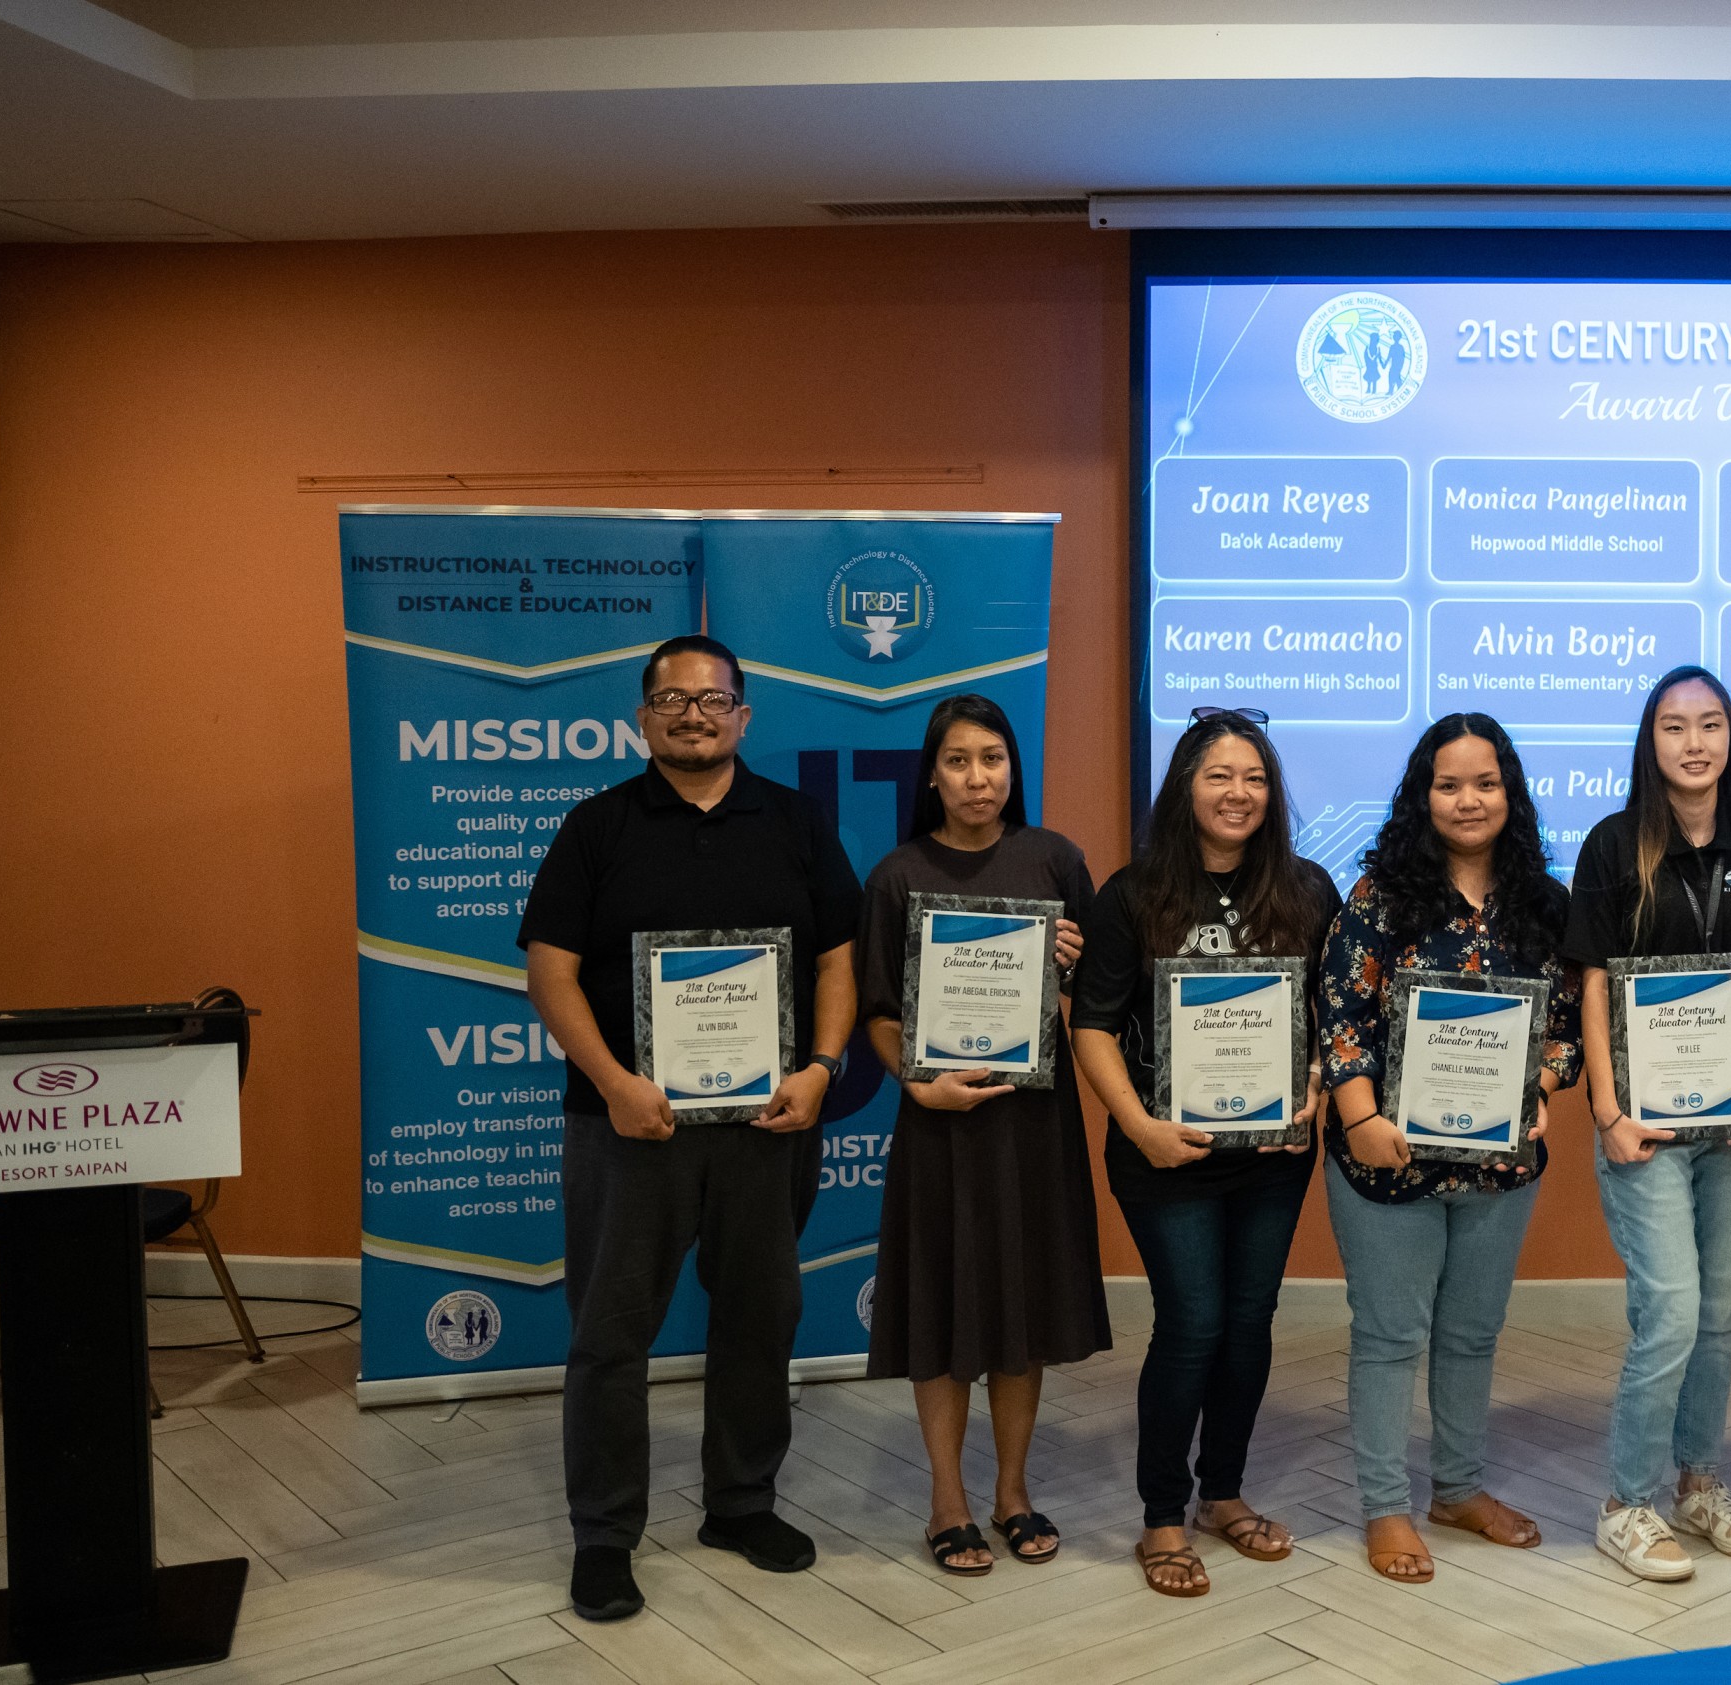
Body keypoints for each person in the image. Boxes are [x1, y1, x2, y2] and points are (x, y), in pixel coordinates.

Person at [519, 633, 861, 1624]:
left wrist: (820, 1066)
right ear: (643, 718)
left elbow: (836, 959)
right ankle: (604, 1532)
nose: (693, 713)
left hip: (766, 1122)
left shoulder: (795, 821)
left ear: (743, 716)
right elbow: (550, 971)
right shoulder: (596, 827)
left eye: (712, 700)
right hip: (628, 1126)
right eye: (671, 699)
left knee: (761, 1316)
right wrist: (616, 1080)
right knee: (609, 1331)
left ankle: (740, 1502)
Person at [1069, 707, 1337, 1598]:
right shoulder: (1133, 895)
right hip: (1163, 1153)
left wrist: (1312, 1088)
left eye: (1255, 778)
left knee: (1250, 1320)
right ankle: (1160, 1513)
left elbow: (1332, 1024)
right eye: (1220, 775)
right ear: (1185, 785)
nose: (1238, 793)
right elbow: (1093, 1026)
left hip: (1271, 1154)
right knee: (1192, 1323)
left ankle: (1223, 1491)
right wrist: (1140, 1126)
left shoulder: (1308, 890)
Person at [1315, 714, 1583, 1584]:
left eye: (1485, 782)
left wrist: (1539, 1089)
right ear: (1421, 795)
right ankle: (1385, 1506)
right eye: (1449, 784)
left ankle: (1458, 1489)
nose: (1469, 800)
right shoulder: (1379, 896)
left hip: (1500, 1167)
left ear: (1510, 791)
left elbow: (1571, 1031)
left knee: (1471, 1335)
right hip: (1386, 1162)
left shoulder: (1546, 904)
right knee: (1391, 1336)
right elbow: (1340, 1019)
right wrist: (1360, 1121)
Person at [1559, 665, 1731, 1583]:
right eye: (1674, 726)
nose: (1694, 743)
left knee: (1717, 1311)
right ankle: (1626, 1501)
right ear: (1650, 740)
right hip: (1642, 1125)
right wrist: (1605, 1108)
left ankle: (1698, 1483)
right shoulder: (1612, 844)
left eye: (1711, 725)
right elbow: (1590, 979)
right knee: (1667, 1307)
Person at [852, 693, 1106, 1576]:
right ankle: (947, 1499)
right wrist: (918, 1081)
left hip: (1034, 1126)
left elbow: (1099, 1003)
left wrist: (1074, 963)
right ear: (932, 773)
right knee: (942, 1302)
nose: (977, 776)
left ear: (1013, 768)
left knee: (1022, 1306)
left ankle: (1012, 1491)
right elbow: (878, 1012)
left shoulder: (1056, 860)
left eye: (992, 758)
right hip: (941, 1128)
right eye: (958, 760)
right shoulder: (896, 874)